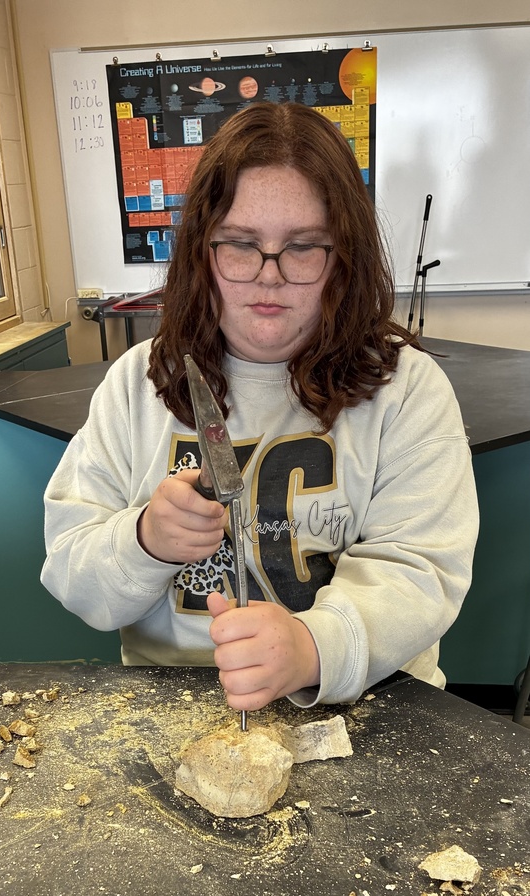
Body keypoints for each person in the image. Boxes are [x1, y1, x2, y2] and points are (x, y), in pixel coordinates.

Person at [41, 101, 478, 711]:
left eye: (303, 247)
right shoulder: (136, 387)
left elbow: (420, 570)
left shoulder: (407, 392)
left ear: (344, 259)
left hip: (372, 706)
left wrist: (310, 648)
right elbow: (73, 574)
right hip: (177, 705)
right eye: (242, 245)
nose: (268, 276)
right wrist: (144, 540)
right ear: (203, 252)